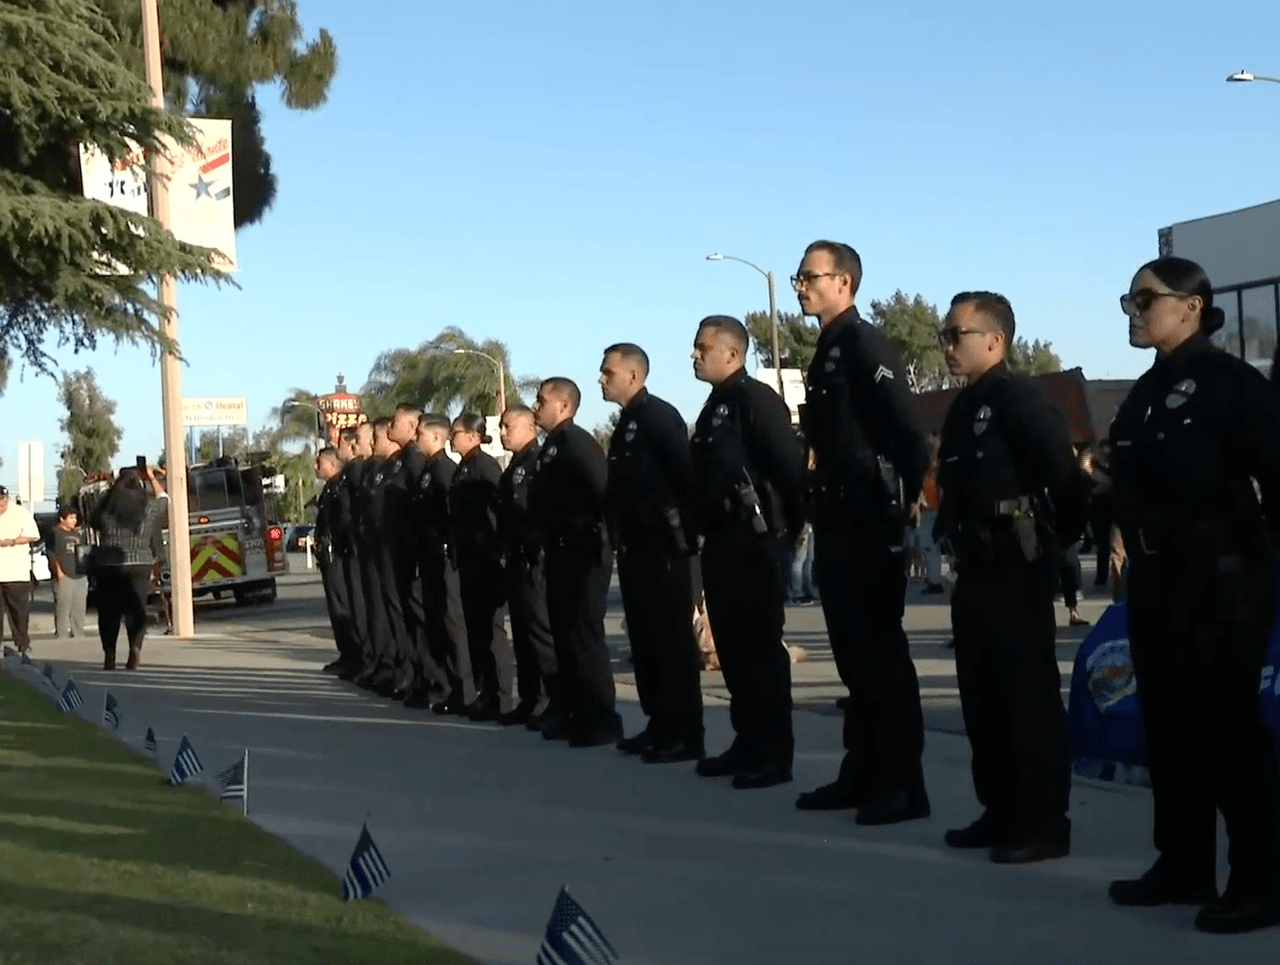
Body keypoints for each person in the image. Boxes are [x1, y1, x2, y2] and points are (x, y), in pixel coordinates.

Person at [1108, 256, 1280, 934]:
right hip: (1158, 581)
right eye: (1129, 299)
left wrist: (1254, 566)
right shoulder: (1145, 392)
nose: (1135, 310)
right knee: (1171, 728)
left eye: (1146, 298)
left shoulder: (1229, 384)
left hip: (1219, 581)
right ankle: (1181, 864)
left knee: (1228, 732)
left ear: (1192, 305)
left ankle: (1262, 880)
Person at [933, 291, 1085, 864]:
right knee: (983, 699)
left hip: (1015, 569)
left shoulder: (1020, 399)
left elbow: (1067, 484)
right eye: (943, 336)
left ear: (994, 341)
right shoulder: (961, 406)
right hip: (973, 571)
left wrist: (1051, 546)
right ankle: (999, 810)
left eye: (956, 336)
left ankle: (1044, 823)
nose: (946, 346)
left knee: (1027, 701)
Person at [793, 240, 931, 825]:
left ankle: (902, 782)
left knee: (879, 653)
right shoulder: (828, 346)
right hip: (839, 514)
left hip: (868, 513)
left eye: (808, 276)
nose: (800, 286)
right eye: (798, 278)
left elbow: (903, 426)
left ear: (843, 282)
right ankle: (864, 769)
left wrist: (906, 499)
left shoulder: (863, 341)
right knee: (853, 653)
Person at [689, 316, 806, 789]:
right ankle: (747, 742)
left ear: (732, 354)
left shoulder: (755, 400)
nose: (694, 355)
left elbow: (789, 470)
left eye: (702, 348)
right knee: (734, 651)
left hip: (754, 540)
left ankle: (773, 753)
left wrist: (787, 533)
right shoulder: (715, 405)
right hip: (719, 541)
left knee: (760, 650)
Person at [600, 343, 705, 763]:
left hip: (664, 547)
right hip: (636, 547)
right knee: (644, 640)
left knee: (671, 641)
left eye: (608, 372)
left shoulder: (658, 416)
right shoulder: (628, 420)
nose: (601, 378)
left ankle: (684, 732)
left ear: (632, 375)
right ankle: (659, 723)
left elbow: (686, 476)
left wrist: (685, 537)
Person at [528, 377, 622, 747]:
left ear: (563, 406)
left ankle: (601, 719)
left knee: (584, 637)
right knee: (565, 637)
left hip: (584, 553)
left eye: (541, 400)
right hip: (561, 551)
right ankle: (573, 712)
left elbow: (601, 495)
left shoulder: (577, 444)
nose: (536, 406)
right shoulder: (553, 445)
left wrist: (600, 542)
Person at [449, 412, 515, 720]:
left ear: (474, 436)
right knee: (475, 629)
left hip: (485, 559)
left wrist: (496, 547)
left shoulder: (485, 467)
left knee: (491, 631)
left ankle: (501, 697)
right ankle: (486, 692)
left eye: (457, 432)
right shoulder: (464, 468)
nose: (452, 437)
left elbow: (498, 510)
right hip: (469, 559)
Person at [496, 405, 558, 726]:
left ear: (530, 428)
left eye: (509, 427)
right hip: (516, 559)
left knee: (541, 633)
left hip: (535, 558)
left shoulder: (536, 461)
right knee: (521, 633)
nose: (502, 433)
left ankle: (551, 700)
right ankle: (530, 697)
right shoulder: (515, 465)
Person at [410, 413, 476, 713]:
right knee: (437, 623)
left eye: (420, 434)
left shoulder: (444, 470)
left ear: (435, 437)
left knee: (453, 625)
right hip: (430, 558)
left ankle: (464, 690)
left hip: (445, 558)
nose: (416, 440)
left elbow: (452, 515)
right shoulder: (430, 469)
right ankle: (447, 687)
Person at [88, 465, 168, 669]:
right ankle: (135, 650)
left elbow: (92, 521)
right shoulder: (147, 508)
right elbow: (164, 499)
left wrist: (110, 486)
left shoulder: (106, 510)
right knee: (136, 609)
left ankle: (110, 653)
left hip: (108, 564)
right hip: (139, 563)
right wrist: (150, 477)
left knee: (108, 611)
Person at [314, 446, 361, 676]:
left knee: (343, 606)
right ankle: (346, 655)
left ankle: (353, 656)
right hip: (328, 553)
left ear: (331, 465)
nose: (316, 468)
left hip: (339, 554)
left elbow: (342, 521)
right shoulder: (330, 489)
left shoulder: (339, 488)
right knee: (336, 606)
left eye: (319, 463)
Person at [0, 485, 39, 658]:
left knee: (19, 612)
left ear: (6, 499)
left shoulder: (20, 512)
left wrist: (13, 541)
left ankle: (22, 644)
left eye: (2, 502)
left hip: (17, 572)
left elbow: (32, 535)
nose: (1, 506)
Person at [49, 504, 89, 639]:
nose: (74, 520)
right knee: (63, 606)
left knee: (79, 606)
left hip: (79, 573)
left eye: (75, 517)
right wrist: (58, 572)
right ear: (62, 518)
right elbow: (52, 554)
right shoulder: (55, 533)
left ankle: (78, 632)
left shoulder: (77, 534)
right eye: (71, 517)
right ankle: (61, 633)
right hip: (64, 574)